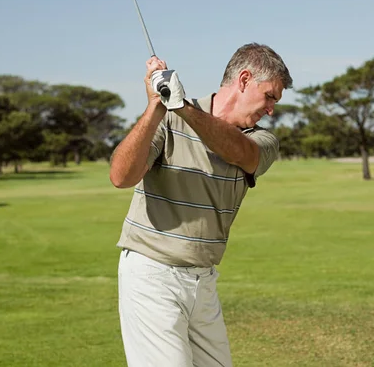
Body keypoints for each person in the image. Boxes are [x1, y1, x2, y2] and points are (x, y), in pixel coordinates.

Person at [109, 42, 293, 366]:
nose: (271, 110)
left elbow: (240, 153)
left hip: (203, 281)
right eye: (270, 97)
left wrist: (183, 108)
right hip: (152, 274)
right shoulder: (169, 117)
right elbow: (121, 176)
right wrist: (156, 106)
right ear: (245, 79)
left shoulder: (262, 140)